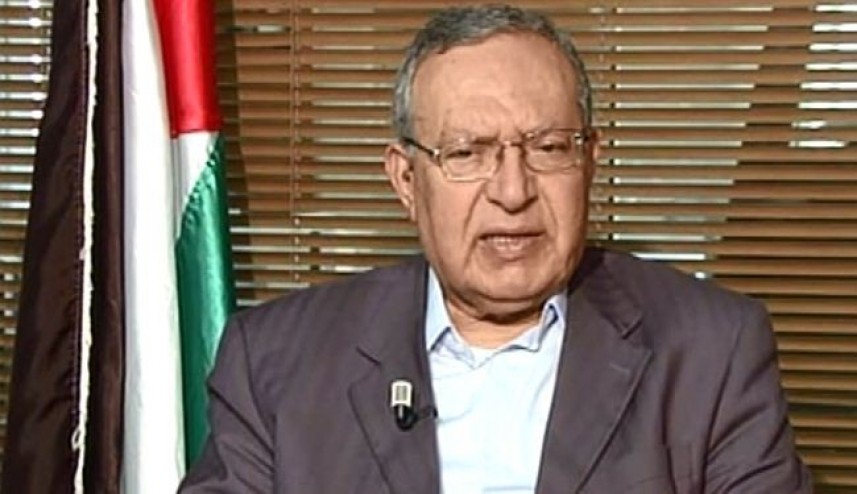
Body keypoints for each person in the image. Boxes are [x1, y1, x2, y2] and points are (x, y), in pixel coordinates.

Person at [180, 4, 812, 493]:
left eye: (549, 148)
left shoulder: (711, 351)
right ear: (406, 180)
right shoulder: (276, 362)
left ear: (590, 161)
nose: (513, 192)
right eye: (467, 153)